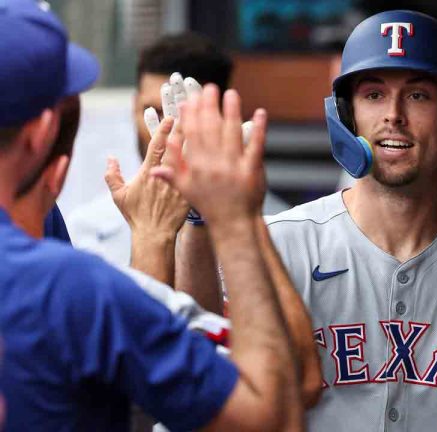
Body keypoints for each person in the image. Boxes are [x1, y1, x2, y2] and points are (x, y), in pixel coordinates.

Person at [174, 10, 437, 431]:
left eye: (418, 95)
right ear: (347, 114)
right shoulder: (280, 244)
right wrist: (197, 217)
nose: (394, 115)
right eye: (374, 95)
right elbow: (201, 364)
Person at [0, 1, 303, 429]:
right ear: (39, 135)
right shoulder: (71, 286)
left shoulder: (64, 272)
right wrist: (235, 218)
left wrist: (157, 234)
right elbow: (272, 416)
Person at [66, 32, 290, 268]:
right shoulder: (88, 231)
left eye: (181, 114)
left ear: (222, 112)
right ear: (134, 107)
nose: (166, 130)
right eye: (153, 110)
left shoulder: (276, 228)